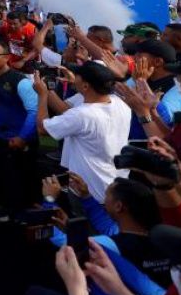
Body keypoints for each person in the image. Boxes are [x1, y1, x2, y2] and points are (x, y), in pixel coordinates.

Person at [34, 61, 132, 203]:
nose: (74, 77)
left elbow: (43, 129)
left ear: (86, 86)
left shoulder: (82, 114)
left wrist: (42, 95)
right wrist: (49, 90)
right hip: (115, 183)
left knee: (86, 222)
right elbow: (69, 111)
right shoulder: (119, 102)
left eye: (78, 76)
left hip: (89, 187)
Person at [0, 35, 39, 222]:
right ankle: (2, 208)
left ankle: (23, 212)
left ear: (7, 57)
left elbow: (33, 111)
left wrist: (22, 137)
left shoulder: (20, 81)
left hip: (20, 137)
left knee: (21, 176)